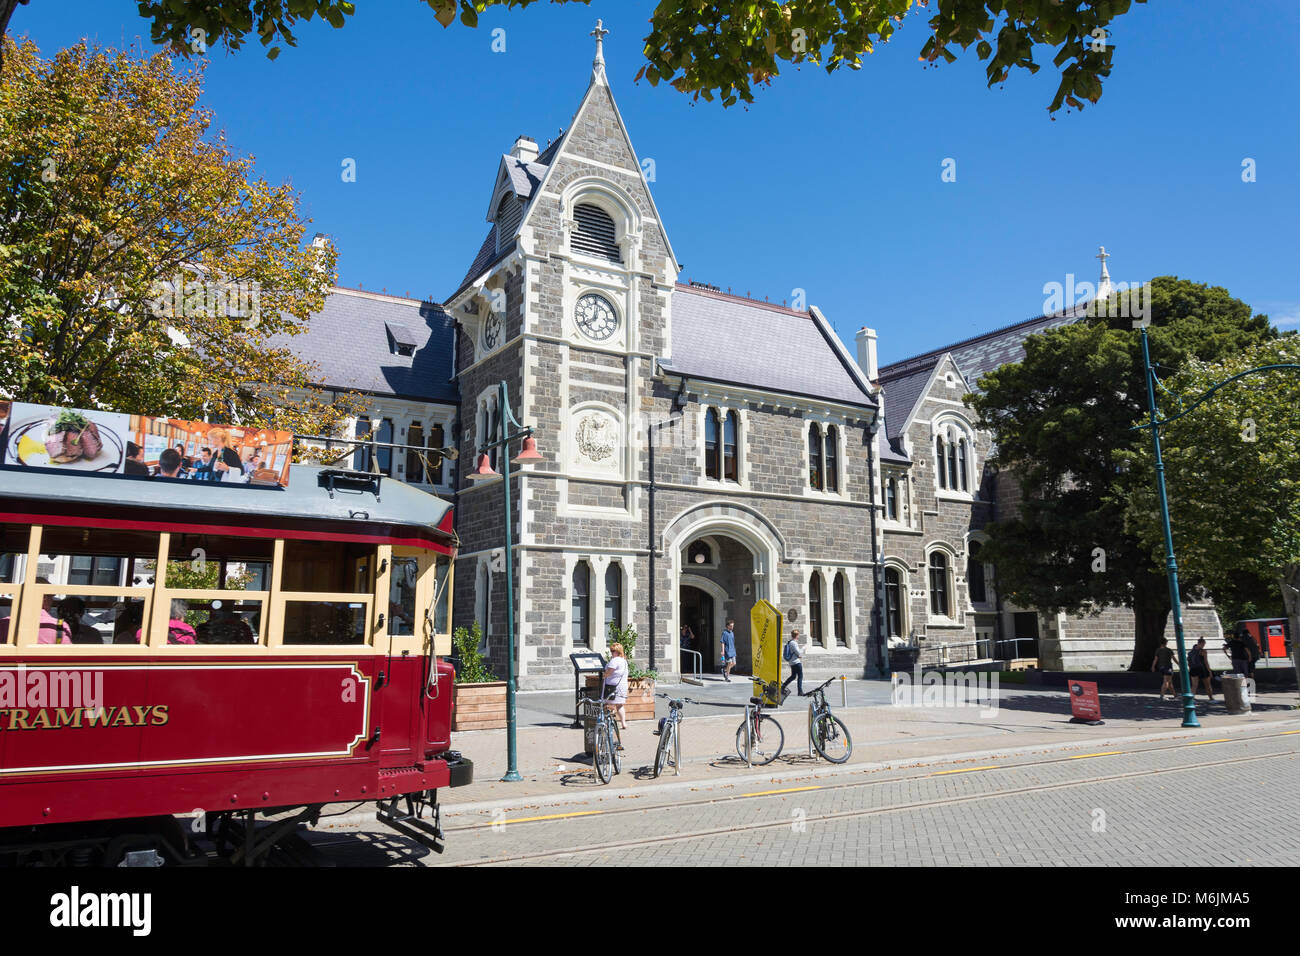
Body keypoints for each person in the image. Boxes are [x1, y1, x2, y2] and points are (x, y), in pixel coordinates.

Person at [0, 578, 71, 644]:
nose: (52, 600)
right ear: (44, 598)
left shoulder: (4, 623)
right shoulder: (59, 626)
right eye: (52, 596)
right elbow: (66, 654)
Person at [601, 642, 629, 732]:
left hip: (612, 686)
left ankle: (608, 722)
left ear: (618, 651)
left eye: (613, 651)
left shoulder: (615, 660)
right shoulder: (623, 660)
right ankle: (623, 723)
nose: (612, 653)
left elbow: (610, 672)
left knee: (609, 704)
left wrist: (604, 675)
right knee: (620, 704)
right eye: (611, 651)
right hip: (622, 686)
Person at [782, 628, 805, 699]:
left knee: (793, 676)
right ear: (796, 635)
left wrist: (799, 654)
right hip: (796, 662)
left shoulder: (790, 642)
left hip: (792, 662)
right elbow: (798, 652)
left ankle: (783, 686)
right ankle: (800, 691)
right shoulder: (794, 643)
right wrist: (804, 649)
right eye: (798, 635)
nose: (799, 636)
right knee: (800, 676)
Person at [720, 618, 737, 682]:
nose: (732, 627)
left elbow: (732, 642)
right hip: (727, 651)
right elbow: (722, 642)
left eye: (733, 626)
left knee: (734, 663)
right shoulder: (724, 633)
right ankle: (727, 677)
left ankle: (725, 670)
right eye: (731, 626)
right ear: (728, 626)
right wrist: (723, 651)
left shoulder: (732, 633)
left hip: (733, 651)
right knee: (729, 663)